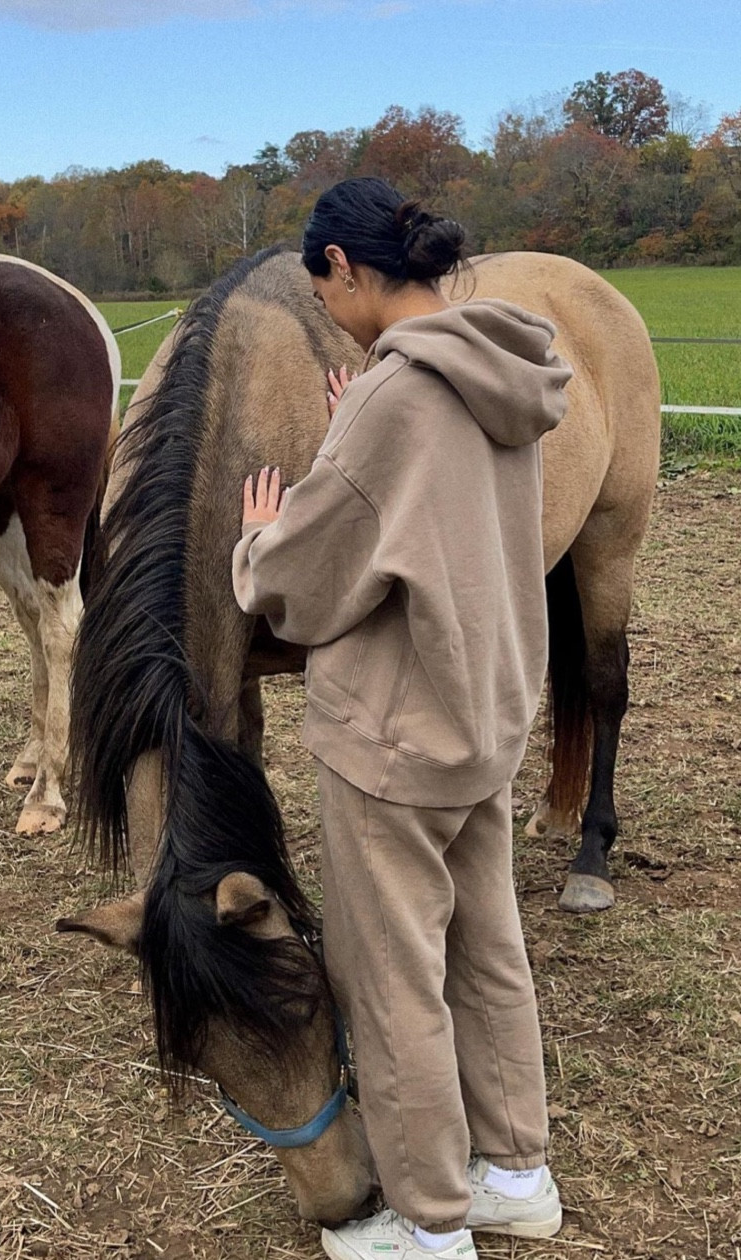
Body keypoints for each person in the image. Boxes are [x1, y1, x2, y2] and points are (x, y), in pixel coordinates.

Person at [231, 177, 570, 1260]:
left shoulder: (390, 397)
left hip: (393, 736)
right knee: (487, 951)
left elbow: (310, 582)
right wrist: (356, 443)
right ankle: (515, 1173)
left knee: (393, 985)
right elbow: (440, 504)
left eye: (317, 282)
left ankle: (427, 1227)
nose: (322, 306)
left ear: (342, 265)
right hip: (483, 717)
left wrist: (261, 541)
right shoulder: (502, 369)